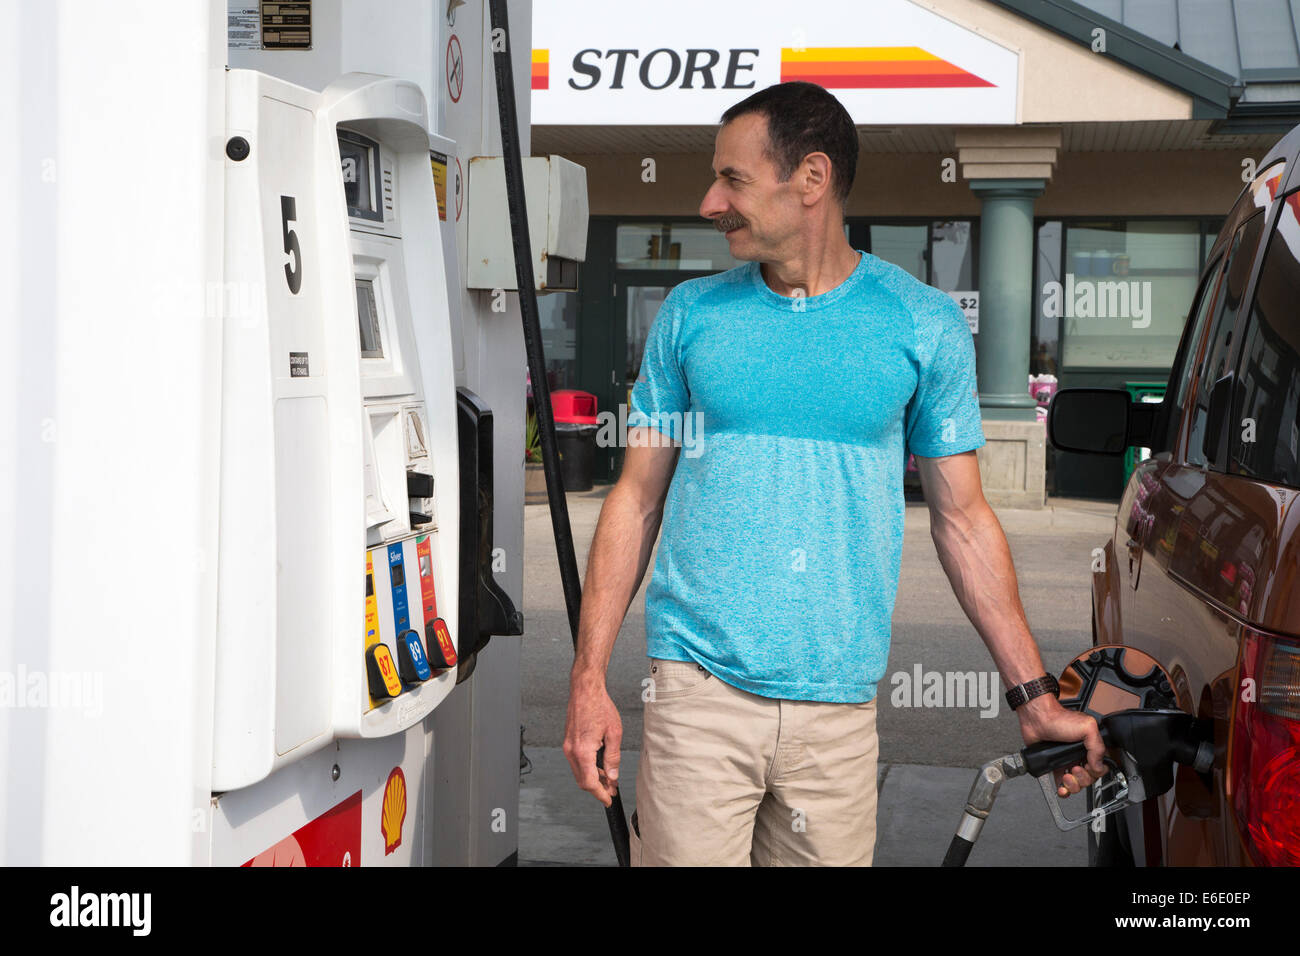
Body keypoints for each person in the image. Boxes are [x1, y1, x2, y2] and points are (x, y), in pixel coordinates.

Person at [562, 81, 1104, 866]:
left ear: (810, 179)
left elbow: (962, 519)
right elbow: (637, 499)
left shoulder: (921, 324)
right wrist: (587, 681)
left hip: (840, 712)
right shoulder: (689, 315)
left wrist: (1031, 695)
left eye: (733, 180)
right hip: (697, 692)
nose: (711, 201)